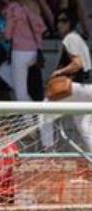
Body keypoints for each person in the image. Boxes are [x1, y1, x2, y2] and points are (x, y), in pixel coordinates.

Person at [46, 14, 92, 151]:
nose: (59, 24)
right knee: (84, 127)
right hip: (87, 88)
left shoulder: (70, 37)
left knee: (44, 112)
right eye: (58, 21)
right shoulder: (78, 38)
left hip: (76, 86)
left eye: (63, 21)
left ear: (70, 23)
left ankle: (47, 151)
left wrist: (58, 72)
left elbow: (77, 63)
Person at [0, 0, 44, 101]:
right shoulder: (35, 6)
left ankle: (31, 110)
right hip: (34, 52)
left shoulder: (13, 8)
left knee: (21, 93)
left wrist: (4, 32)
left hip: (20, 52)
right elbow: (40, 30)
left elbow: (8, 35)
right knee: (3, 70)